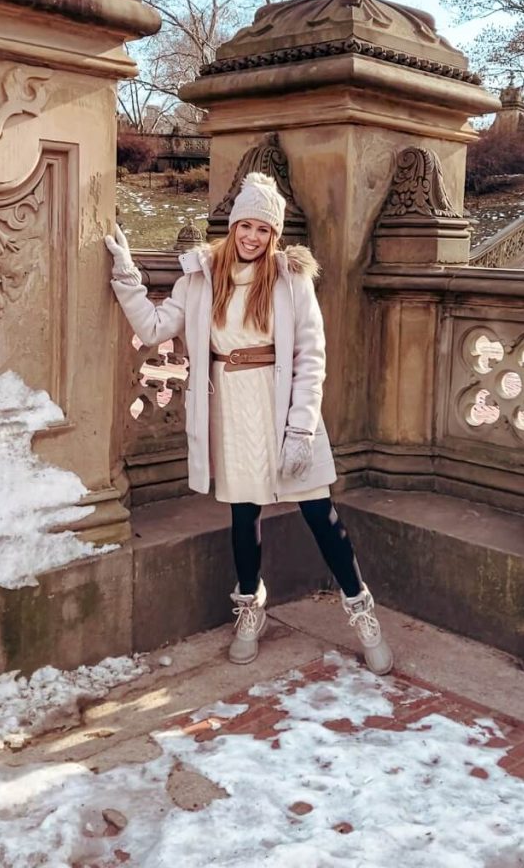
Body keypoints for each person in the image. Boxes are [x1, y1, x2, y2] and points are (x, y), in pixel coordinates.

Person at [105, 172, 393, 674]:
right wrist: (127, 275)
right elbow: (154, 327)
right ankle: (250, 610)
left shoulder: (290, 279)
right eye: (246, 226)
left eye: (264, 229)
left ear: (274, 234)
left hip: (280, 404)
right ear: (232, 225)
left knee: (320, 514)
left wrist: (301, 428)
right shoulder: (201, 275)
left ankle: (361, 609)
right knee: (244, 514)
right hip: (230, 404)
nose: (252, 237)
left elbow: (311, 357)